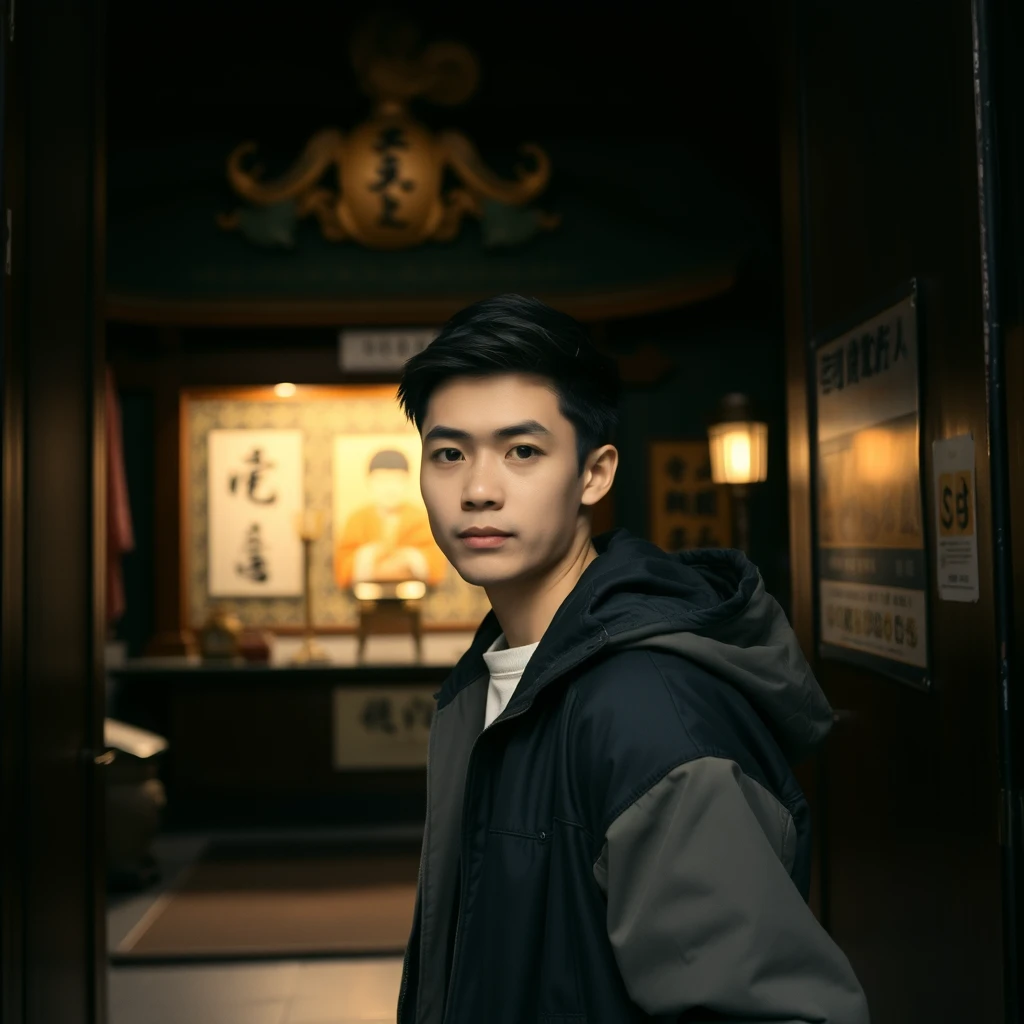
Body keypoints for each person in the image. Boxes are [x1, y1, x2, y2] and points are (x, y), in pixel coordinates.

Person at [393, 294, 870, 1023]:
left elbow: (767, 1007)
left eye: (523, 451)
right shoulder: (496, 672)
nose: (478, 490)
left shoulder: (648, 712)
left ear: (595, 473)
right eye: (449, 453)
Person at [334, 448, 447, 589]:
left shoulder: (420, 518)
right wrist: (371, 556)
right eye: (382, 481)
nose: (389, 488)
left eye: (396, 481)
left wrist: (409, 559)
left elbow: (436, 565)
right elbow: (342, 568)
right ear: (369, 482)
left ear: (407, 482)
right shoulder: (357, 519)